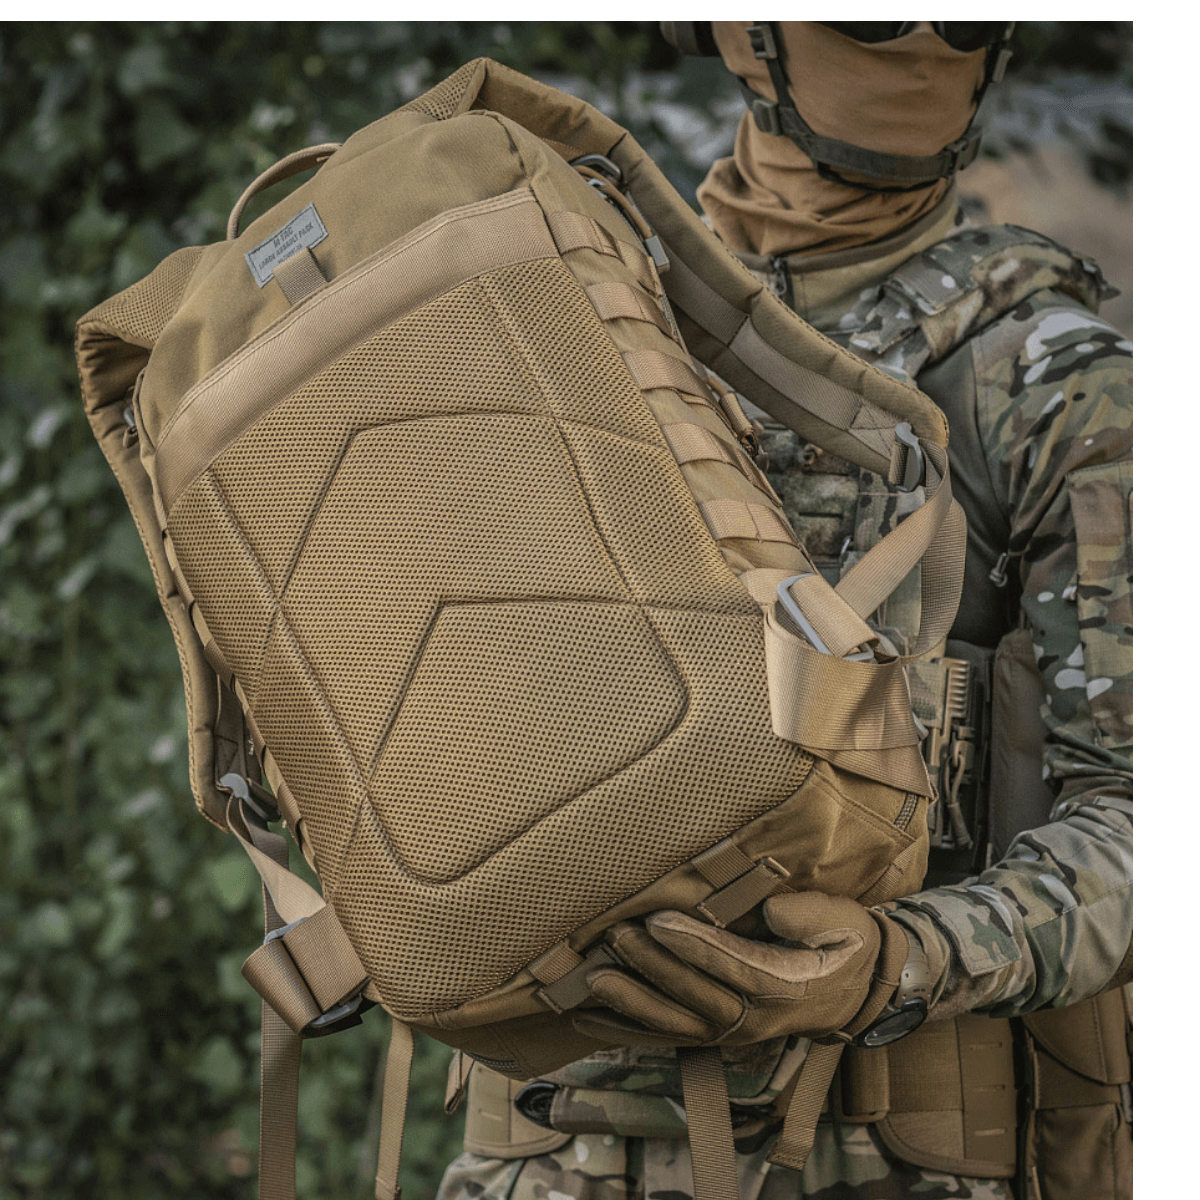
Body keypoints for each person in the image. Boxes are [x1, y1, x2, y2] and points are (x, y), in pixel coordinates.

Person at [436, 21, 1132, 1199]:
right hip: (551, 1159)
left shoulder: (1055, 383)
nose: (924, 41)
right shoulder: (563, 317)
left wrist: (901, 960)